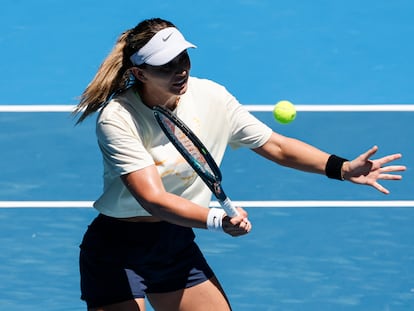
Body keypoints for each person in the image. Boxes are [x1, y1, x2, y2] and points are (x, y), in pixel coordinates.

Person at [73, 17, 406, 311]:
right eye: (166, 66)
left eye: (183, 58)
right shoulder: (118, 118)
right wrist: (216, 219)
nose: (180, 70)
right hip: (117, 251)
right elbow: (153, 198)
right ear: (138, 73)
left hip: (173, 243)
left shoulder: (212, 97)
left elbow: (276, 145)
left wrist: (342, 168)